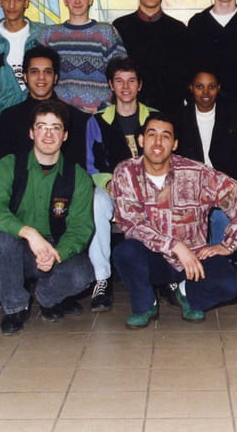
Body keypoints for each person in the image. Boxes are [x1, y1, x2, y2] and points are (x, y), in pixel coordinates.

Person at [112, 113, 237, 328]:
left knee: (230, 285)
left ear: (175, 144)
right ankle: (145, 305)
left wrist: (228, 245)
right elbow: (132, 223)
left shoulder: (197, 173)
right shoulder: (126, 172)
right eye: (152, 135)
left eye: (165, 136)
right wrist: (175, 246)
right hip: (153, 257)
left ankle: (186, 293)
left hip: (194, 258)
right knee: (125, 252)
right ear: (141, 140)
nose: (158, 142)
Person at [0, 100, 95, 334]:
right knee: (0, 239)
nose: (48, 134)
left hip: (54, 248)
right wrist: (29, 233)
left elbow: (80, 228)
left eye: (55, 128)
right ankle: (15, 307)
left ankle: (47, 297)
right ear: (31, 132)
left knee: (83, 273)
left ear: (65, 135)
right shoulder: (9, 165)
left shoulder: (78, 177)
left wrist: (56, 253)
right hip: (18, 250)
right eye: (41, 127)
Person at [175, 67, 237, 302]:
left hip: (225, 183)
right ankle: (191, 273)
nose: (205, 92)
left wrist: (220, 188)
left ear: (218, 88)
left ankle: (222, 269)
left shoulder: (234, 115)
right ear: (191, 88)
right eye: (200, 86)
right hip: (189, 187)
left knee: (224, 214)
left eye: (211, 87)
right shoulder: (179, 117)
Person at [85, 57, 156, 311]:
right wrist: (110, 185)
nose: (125, 87)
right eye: (119, 81)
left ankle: (168, 276)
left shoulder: (154, 118)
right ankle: (102, 278)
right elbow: (93, 165)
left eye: (131, 81)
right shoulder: (97, 121)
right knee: (96, 202)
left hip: (150, 189)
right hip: (113, 190)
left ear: (140, 85)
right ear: (110, 85)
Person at [35, 0, 127, 112]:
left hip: (99, 114)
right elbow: (35, 77)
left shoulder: (107, 32)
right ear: (65, 0)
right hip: (59, 114)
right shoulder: (48, 35)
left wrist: (104, 107)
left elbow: (124, 75)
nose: (77, 1)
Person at [113, 0, 189, 113]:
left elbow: (183, 76)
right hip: (130, 109)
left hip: (169, 110)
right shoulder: (120, 27)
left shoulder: (178, 29)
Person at [0, 45, 88, 166]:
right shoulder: (9, 118)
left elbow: (80, 166)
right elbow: (1, 164)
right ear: (25, 77)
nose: (41, 77)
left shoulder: (76, 119)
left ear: (55, 78)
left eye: (47, 72)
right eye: (34, 72)